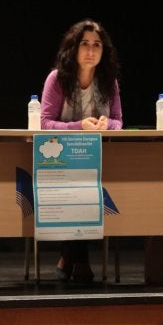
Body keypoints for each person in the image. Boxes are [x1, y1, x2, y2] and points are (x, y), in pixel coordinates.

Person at [40, 18, 123, 283]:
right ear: (74, 48)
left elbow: (119, 121)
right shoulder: (57, 78)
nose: (91, 50)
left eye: (97, 44)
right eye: (85, 44)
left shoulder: (109, 81)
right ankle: (81, 258)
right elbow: (44, 123)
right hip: (58, 159)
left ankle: (69, 254)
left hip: (96, 160)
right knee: (79, 188)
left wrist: (106, 124)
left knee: (90, 185)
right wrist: (79, 127)